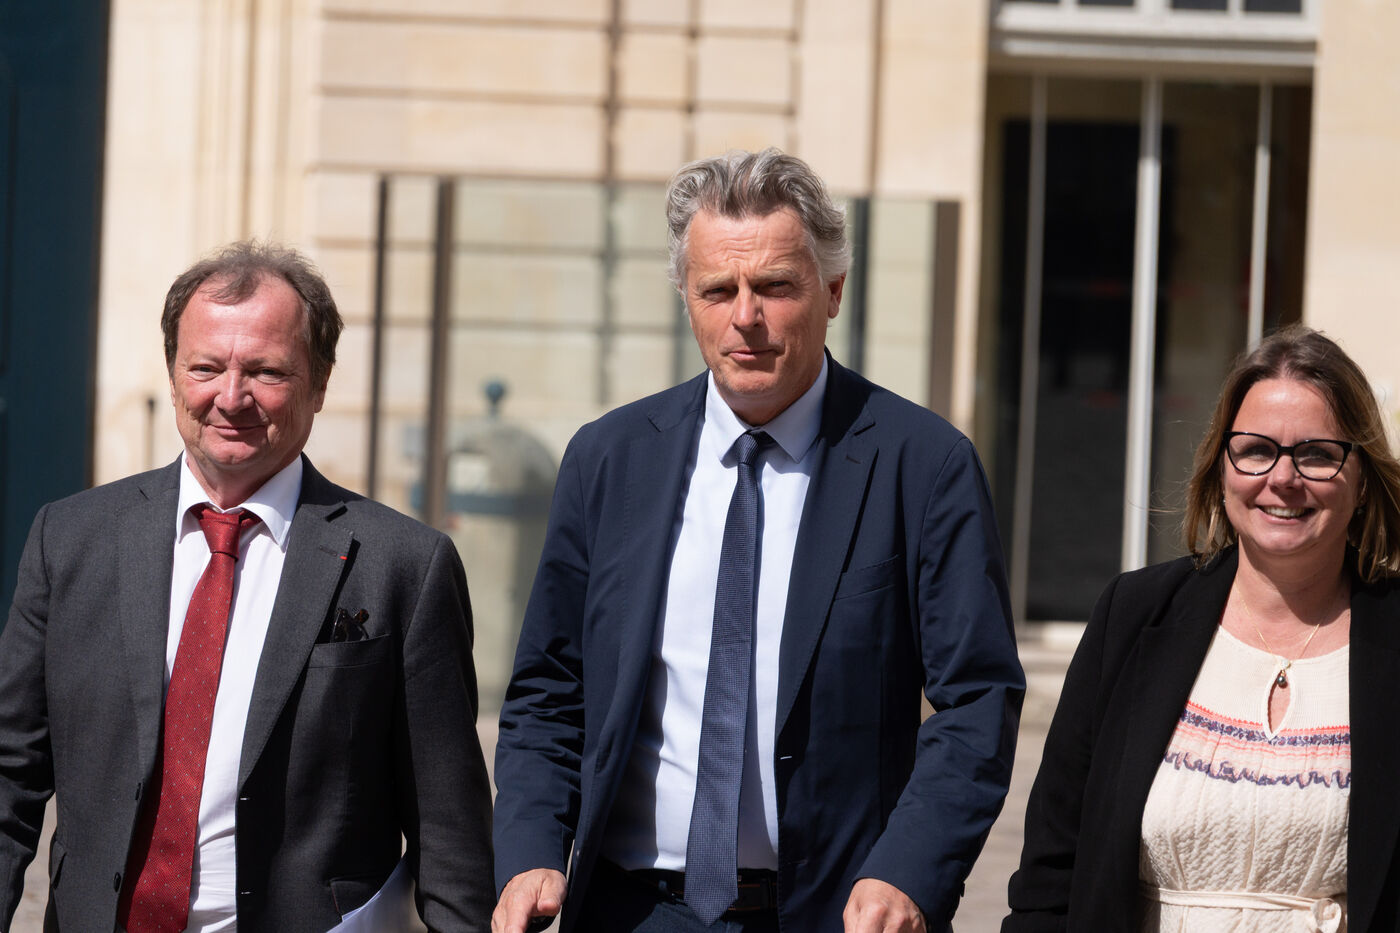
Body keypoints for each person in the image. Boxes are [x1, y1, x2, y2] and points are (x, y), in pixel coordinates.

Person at [491, 148, 1024, 933]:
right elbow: (549, 688)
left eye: (775, 286)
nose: (746, 316)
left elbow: (976, 701)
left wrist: (908, 871)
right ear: (687, 298)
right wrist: (531, 849)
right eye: (719, 289)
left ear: (833, 290)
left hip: (838, 914)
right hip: (634, 911)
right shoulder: (610, 459)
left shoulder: (922, 465)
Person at [0, 241, 494, 931]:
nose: (231, 398)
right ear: (173, 373)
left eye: (266, 371)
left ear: (319, 384)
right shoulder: (70, 538)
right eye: (205, 367)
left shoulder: (404, 565)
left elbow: (450, 828)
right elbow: (11, 770)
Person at [1004, 325, 1400, 931]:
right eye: (1256, 449)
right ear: (1221, 467)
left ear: (1363, 479)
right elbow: (1051, 871)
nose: (1283, 478)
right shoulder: (1133, 614)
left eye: (1318, 454)